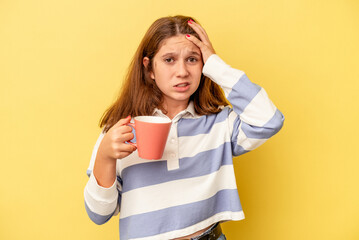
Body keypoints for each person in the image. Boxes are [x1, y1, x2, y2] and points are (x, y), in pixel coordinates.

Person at [84, 15, 285, 240]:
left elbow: (269, 120)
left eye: (192, 59)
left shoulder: (219, 122)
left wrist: (217, 66)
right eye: (169, 60)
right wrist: (105, 157)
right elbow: (99, 214)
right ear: (149, 68)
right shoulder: (121, 131)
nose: (182, 71)